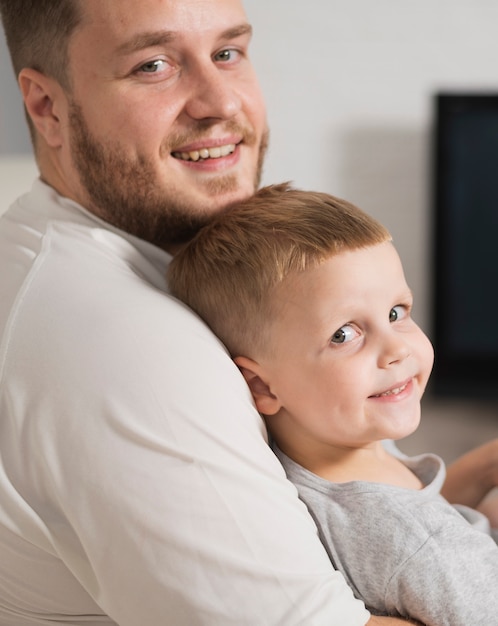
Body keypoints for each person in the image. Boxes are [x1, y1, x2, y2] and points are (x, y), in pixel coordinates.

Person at [0, 1, 492, 624]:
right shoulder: (125, 344)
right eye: (154, 65)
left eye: (228, 53)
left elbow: (350, 524)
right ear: (47, 107)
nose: (221, 103)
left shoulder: (126, 263)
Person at [167, 183, 498, 625]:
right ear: (261, 387)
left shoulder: (329, 449)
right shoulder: (421, 543)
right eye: (344, 334)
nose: (396, 349)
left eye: (397, 312)